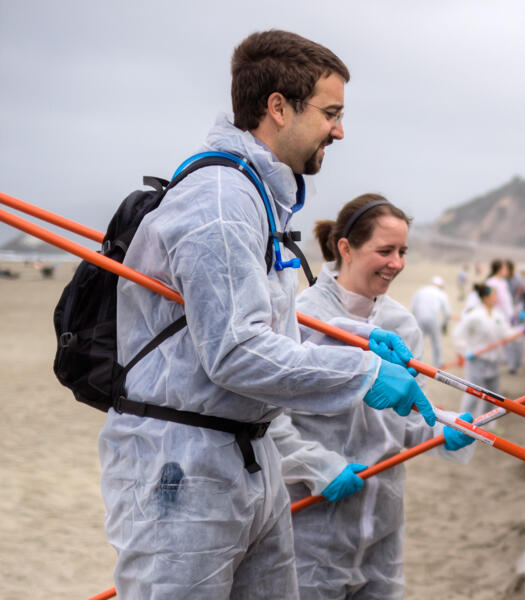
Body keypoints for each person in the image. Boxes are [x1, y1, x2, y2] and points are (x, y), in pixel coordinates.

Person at [103, 30, 435, 597]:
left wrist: (357, 339)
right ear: (278, 108)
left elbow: (266, 320)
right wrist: (364, 376)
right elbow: (235, 352)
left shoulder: (257, 195)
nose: (339, 129)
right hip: (184, 470)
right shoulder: (222, 201)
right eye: (330, 112)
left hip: (250, 460)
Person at [271, 194, 476, 599]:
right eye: (385, 251)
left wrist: (442, 428)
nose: (397, 263)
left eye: (402, 251)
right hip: (310, 528)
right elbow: (267, 421)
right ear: (345, 248)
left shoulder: (402, 326)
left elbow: (407, 421)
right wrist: (317, 467)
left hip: (382, 531)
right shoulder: (300, 319)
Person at [453, 283, 520, 417]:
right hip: (477, 360)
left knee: (493, 395)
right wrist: (465, 352)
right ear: (485, 298)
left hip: (493, 360)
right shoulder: (474, 316)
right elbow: (458, 334)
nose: (496, 299)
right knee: (473, 394)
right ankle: (462, 424)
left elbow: (505, 333)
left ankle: (487, 425)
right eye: (494, 296)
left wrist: (521, 330)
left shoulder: (497, 315)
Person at [411, 275, 452, 368]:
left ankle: (416, 361)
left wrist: (413, 318)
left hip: (419, 318)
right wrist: (446, 324)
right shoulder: (441, 293)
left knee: (420, 341)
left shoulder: (421, 290)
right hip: (433, 319)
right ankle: (438, 363)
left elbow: (413, 306)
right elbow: (447, 311)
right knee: (436, 341)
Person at [503, 259, 525, 374]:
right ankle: (511, 365)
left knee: (519, 339)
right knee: (509, 339)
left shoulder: (519, 280)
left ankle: (518, 362)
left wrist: (524, 311)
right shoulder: (502, 280)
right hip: (507, 313)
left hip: (518, 310)